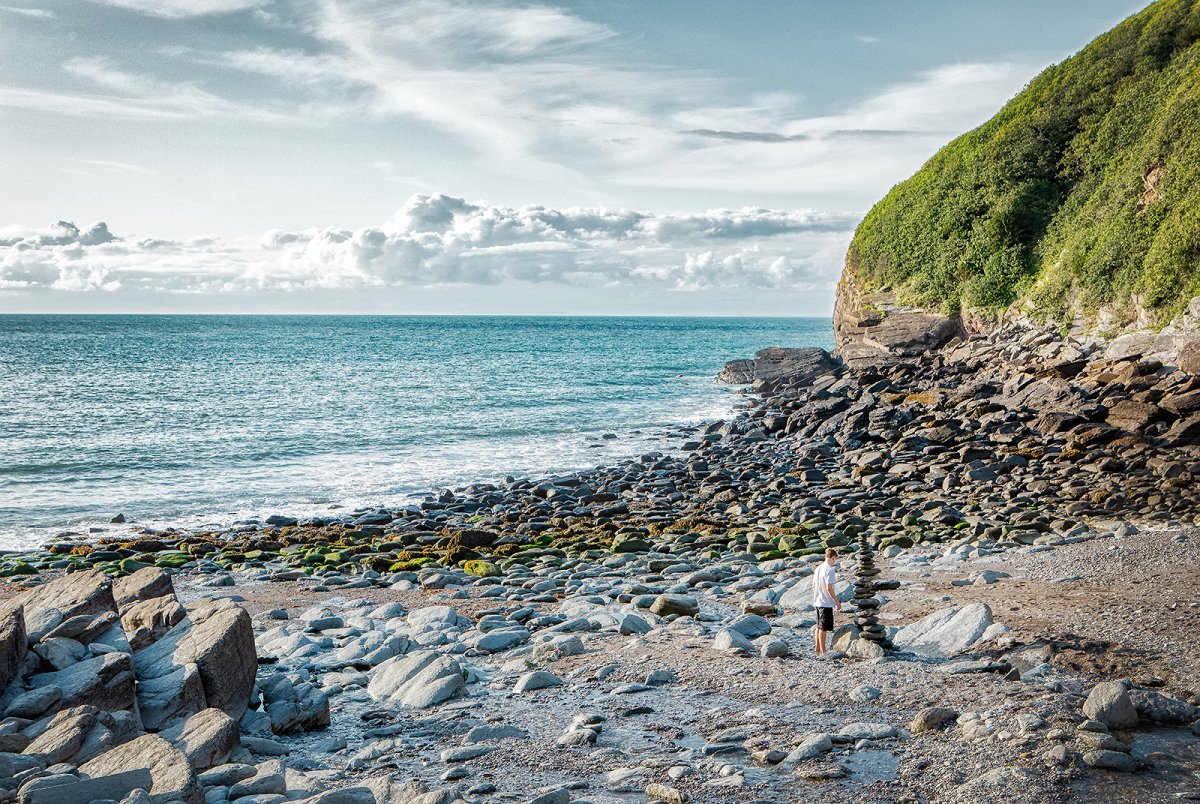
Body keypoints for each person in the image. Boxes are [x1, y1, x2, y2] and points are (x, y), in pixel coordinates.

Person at [813, 547, 841, 655]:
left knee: (818, 626)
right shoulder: (830, 570)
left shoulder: (818, 568)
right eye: (835, 559)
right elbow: (829, 588)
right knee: (823, 628)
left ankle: (817, 649)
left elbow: (814, 585)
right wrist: (837, 601)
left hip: (818, 600)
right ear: (833, 558)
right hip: (826, 602)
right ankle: (824, 651)